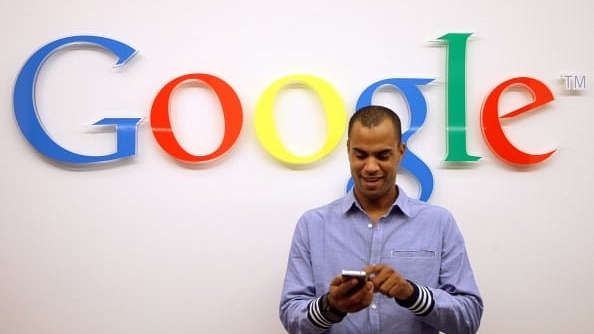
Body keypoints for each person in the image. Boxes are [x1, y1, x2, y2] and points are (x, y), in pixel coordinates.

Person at [279, 105, 483, 334]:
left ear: (401, 152)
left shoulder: (439, 223)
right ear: (348, 150)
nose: (371, 167)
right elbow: (291, 316)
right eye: (361, 155)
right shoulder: (313, 225)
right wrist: (331, 306)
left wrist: (412, 295)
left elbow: (469, 318)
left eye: (383, 155)